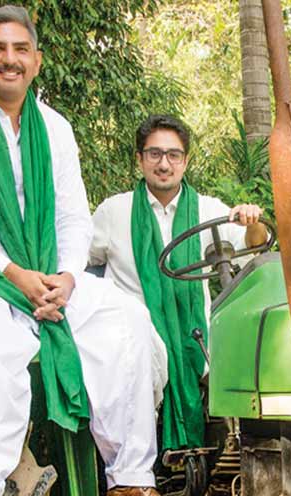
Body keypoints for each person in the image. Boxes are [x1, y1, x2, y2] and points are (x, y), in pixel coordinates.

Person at [0, 6, 165, 496]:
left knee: (126, 317)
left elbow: (73, 217)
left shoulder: (55, 128)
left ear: (36, 61)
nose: (9, 59)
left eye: (20, 49)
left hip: (48, 276)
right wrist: (12, 271)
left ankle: (130, 480)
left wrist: (67, 277)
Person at [89, 115, 268, 451]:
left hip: (196, 341)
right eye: (154, 154)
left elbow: (251, 247)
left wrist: (252, 220)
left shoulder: (207, 209)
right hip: (134, 346)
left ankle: (228, 459)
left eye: (173, 155)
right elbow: (77, 262)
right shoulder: (114, 212)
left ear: (185, 161)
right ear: (140, 159)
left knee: (255, 371)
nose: (164, 164)